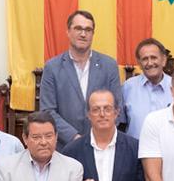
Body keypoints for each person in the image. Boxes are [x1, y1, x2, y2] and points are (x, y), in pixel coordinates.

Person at [40, 10, 125, 148]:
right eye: (78, 29)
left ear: (93, 34)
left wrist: (98, 137)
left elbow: (117, 107)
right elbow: (47, 111)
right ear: (68, 31)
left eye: (88, 30)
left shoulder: (109, 65)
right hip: (65, 148)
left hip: (103, 146)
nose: (83, 34)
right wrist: (74, 138)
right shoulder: (52, 67)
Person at [121, 37, 172, 137]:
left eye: (154, 57)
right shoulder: (128, 87)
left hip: (168, 151)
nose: (150, 63)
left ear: (164, 60)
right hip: (135, 150)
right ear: (139, 63)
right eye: (145, 59)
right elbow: (121, 124)